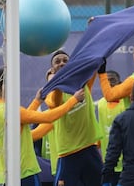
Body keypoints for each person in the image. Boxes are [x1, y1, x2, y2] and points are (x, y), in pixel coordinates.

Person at [0, 68, 84, 186]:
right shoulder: (11, 110)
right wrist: (74, 100)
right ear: (3, 87)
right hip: (24, 173)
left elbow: (24, 123)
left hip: (1, 178)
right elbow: (48, 117)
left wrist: (37, 101)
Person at [45, 50, 103, 186]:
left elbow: (95, 60)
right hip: (68, 154)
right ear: (52, 69)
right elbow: (54, 102)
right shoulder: (52, 93)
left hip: (89, 148)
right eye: (57, 61)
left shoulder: (84, 83)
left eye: (65, 60)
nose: (62, 63)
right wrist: (54, 78)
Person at [96, 70, 125, 186]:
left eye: (112, 80)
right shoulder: (101, 104)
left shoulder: (126, 103)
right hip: (108, 162)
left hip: (125, 163)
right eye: (106, 82)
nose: (109, 84)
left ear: (120, 83)